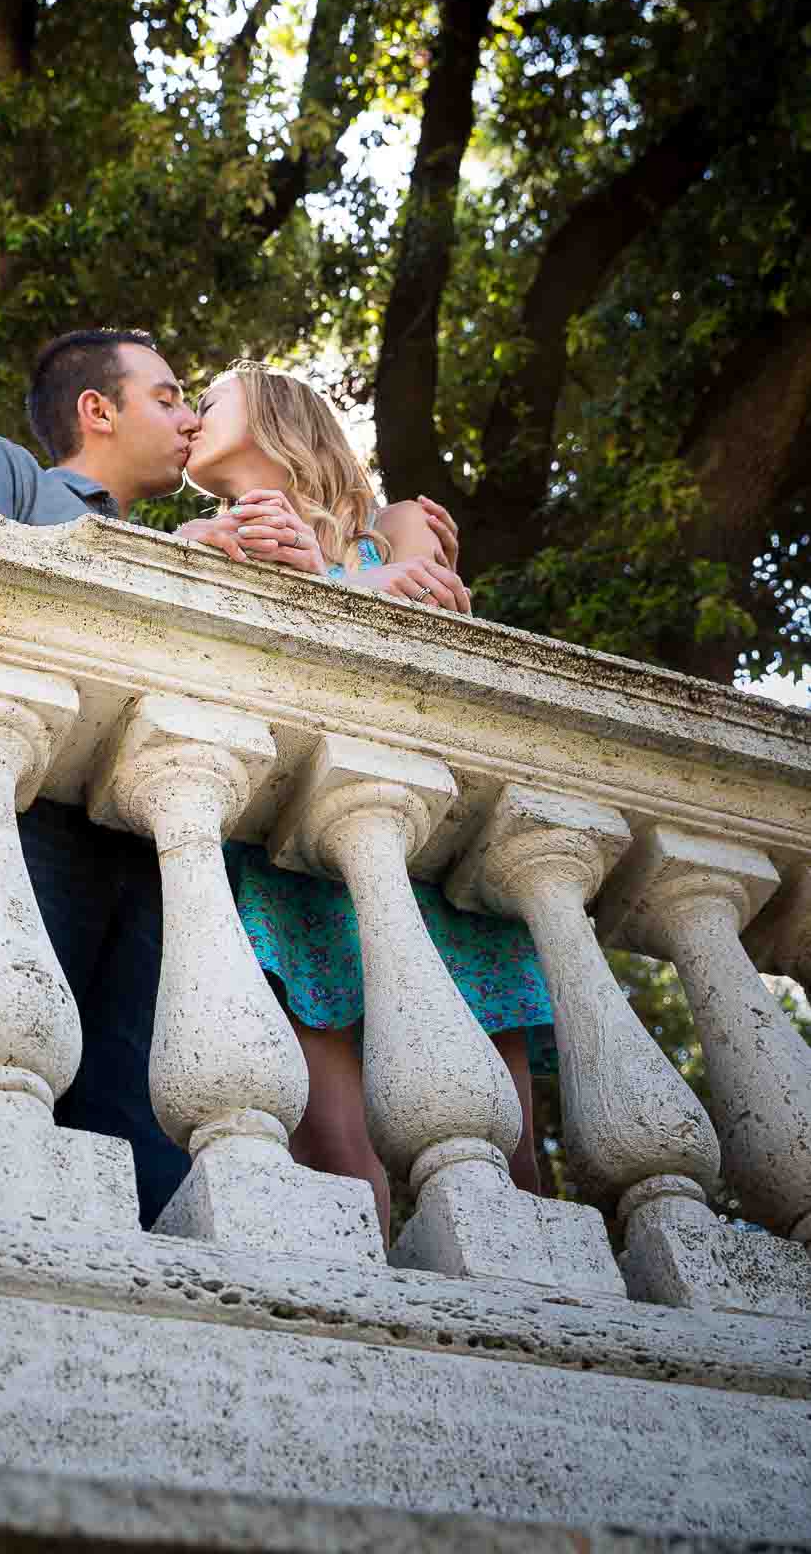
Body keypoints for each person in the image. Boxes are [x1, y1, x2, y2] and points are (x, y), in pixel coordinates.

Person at [0, 328, 462, 1228]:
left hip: (154, 848)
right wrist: (172, 555)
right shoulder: (7, 471)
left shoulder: (207, 540)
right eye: (169, 396)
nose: (189, 419)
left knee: (143, 1149)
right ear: (96, 411)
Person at [178, 360, 554, 1239]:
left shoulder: (394, 526)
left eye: (208, 401)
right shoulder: (204, 535)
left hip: (423, 860)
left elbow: (441, 646)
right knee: (335, 1149)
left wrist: (342, 579)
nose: (191, 418)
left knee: (507, 1146)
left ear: (275, 415)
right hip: (292, 868)